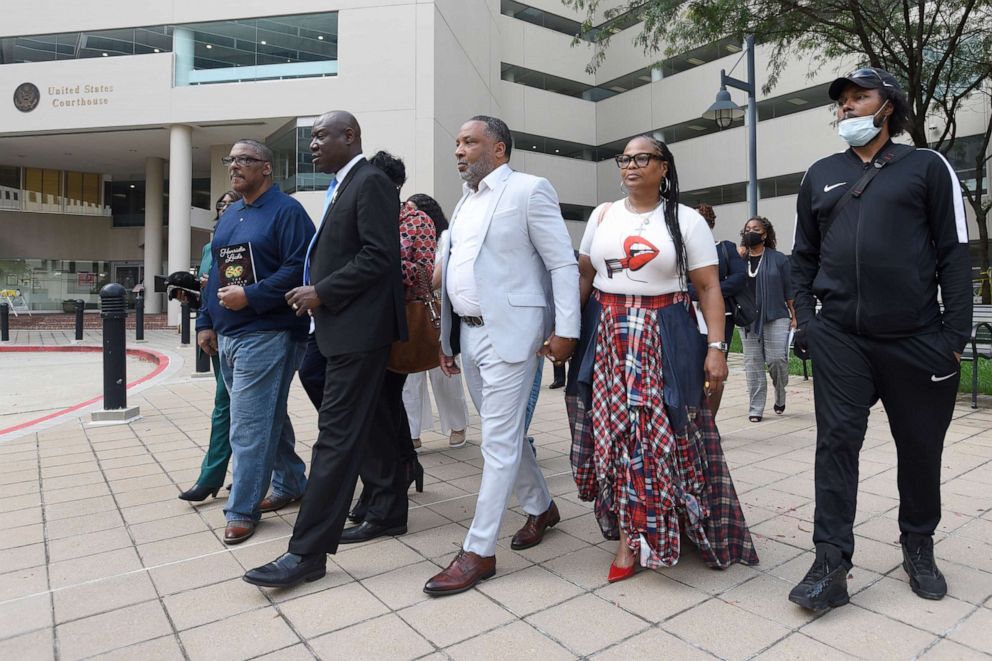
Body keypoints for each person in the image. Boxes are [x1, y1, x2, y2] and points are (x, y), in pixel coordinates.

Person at [788, 67, 970, 610]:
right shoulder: (820, 174)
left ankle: (918, 543)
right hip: (841, 337)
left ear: (886, 105)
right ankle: (830, 561)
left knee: (919, 448)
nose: (846, 108)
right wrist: (808, 322)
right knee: (836, 443)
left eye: (858, 98)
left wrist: (953, 337)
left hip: (917, 338)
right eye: (841, 101)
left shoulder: (926, 166)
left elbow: (954, 255)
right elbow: (803, 258)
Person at [574, 135, 758, 582]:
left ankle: (652, 531)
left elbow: (709, 287)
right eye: (625, 158)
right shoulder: (602, 215)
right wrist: (564, 334)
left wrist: (717, 349)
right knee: (614, 435)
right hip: (607, 333)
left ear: (663, 167)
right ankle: (629, 529)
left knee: (659, 436)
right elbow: (583, 276)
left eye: (643, 158)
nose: (631, 165)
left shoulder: (687, 220)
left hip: (664, 333)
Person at [243, 110, 406, 588]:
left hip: (358, 330)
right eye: (311, 137)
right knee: (374, 420)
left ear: (349, 136)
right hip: (339, 326)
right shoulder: (343, 183)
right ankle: (389, 509)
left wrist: (323, 291)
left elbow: (380, 256)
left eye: (320, 136)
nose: (312, 145)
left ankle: (307, 553)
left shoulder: (370, 181)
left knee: (333, 439)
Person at [422, 115, 579, 596]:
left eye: (469, 142)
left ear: (500, 150)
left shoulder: (530, 190)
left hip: (514, 333)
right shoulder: (464, 203)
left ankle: (478, 550)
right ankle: (542, 506)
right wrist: (447, 340)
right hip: (469, 336)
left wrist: (566, 331)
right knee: (503, 432)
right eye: (457, 143)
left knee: (498, 440)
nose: (459, 151)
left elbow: (561, 261)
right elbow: (456, 275)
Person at [195, 140, 313, 544]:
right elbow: (216, 277)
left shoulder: (288, 212)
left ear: (266, 168)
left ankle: (241, 508)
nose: (235, 166)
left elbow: (302, 269)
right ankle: (292, 482)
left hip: (269, 333)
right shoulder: (230, 217)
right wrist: (205, 321)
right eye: (231, 160)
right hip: (227, 335)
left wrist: (253, 295)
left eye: (245, 160)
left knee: (248, 424)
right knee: (265, 417)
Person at [340, 151, 428, 537]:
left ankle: (389, 491)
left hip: (397, 322)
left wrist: (381, 262)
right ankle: (401, 470)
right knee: (381, 409)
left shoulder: (416, 220)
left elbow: (424, 275)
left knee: (382, 407)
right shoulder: (363, 211)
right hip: (362, 322)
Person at [178, 190, 241, 502]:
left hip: (246, 330)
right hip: (216, 330)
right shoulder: (209, 246)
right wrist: (192, 299)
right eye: (221, 205)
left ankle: (217, 475)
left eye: (231, 202)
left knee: (231, 406)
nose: (225, 207)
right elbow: (207, 287)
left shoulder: (250, 237)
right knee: (227, 406)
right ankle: (220, 475)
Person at [401, 193, 470, 451]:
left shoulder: (445, 238)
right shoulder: (405, 236)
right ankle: (412, 432)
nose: (410, 216)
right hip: (411, 311)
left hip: (439, 311)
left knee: (445, 373)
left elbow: (437, 275)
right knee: (411, 377)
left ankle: (457, 425)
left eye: (413, 210)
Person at [687, 203, 745, 417]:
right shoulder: (679, 251)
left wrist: (711, 290)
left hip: (721, 317)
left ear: (710, 223)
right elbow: (677, 284)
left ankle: (709, 423)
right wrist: (704, 290)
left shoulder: (725, 248)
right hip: (688, 315)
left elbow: (739, 278)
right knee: (690, 367)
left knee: (715, 371)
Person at [736, 217, 795, 422]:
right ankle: (756, 408)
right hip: (747, 319)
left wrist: (795, 317)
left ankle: (780, 391)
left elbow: (789, 291)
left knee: (777, 360)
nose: (751, 232)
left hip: (776, 315)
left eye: (755, 229)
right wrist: (736, 256)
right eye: (747, 229)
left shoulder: (779, 259)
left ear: (765, 234)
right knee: (753, 364)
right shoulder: (738, 260)